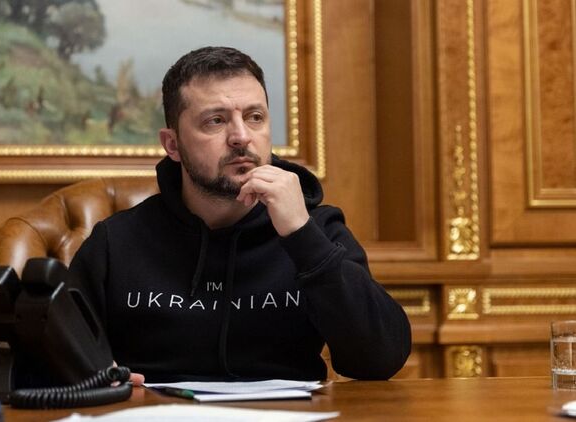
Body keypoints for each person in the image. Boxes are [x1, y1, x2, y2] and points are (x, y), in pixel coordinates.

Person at [68, 46, 411, 383]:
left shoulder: (317, 229)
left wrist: (301, 235)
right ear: (172, 144)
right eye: (215, 121)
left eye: (254, 117)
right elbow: (55, 363)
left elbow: (379, 360)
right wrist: (97, 379)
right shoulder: (116, 241)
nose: (241, 137)